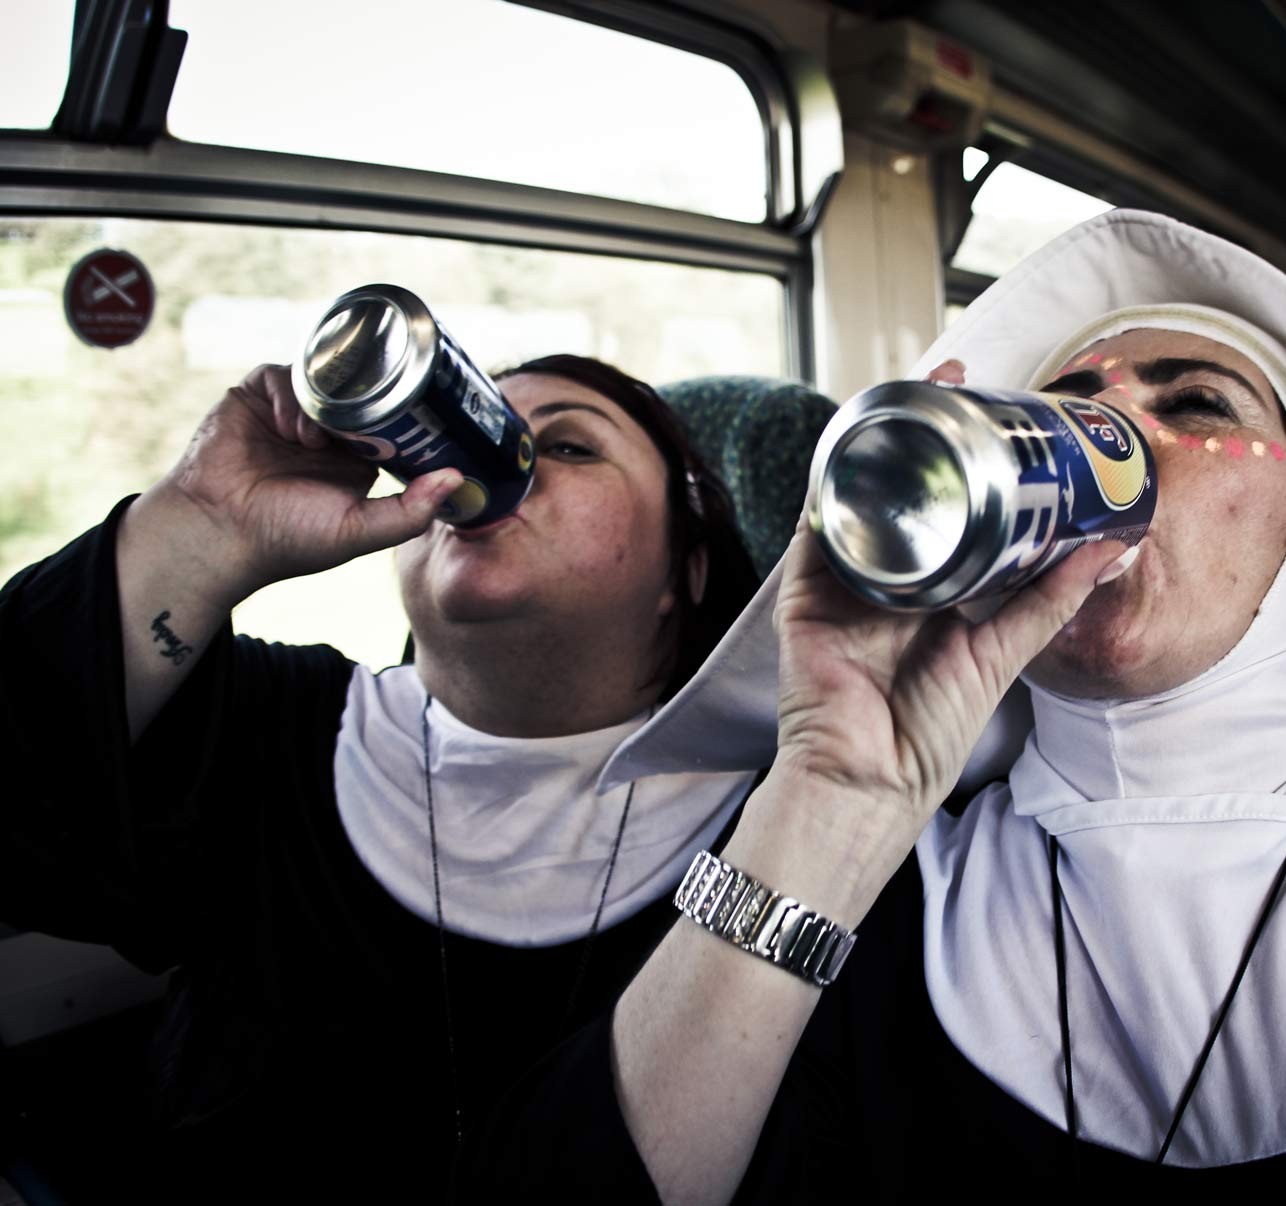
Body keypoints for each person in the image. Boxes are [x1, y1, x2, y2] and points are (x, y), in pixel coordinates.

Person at [465, 211, 1286, 1202]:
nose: (1121, 432)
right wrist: (831, 798)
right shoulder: (871, 889)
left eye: (1194, 401)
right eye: (1069, 407)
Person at [0, 353, 760, 1202]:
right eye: (461, 437)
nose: (489, 465)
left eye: (570, 446)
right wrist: (205, 518)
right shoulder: (271, 724)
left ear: (685, 572)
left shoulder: (779, 835)